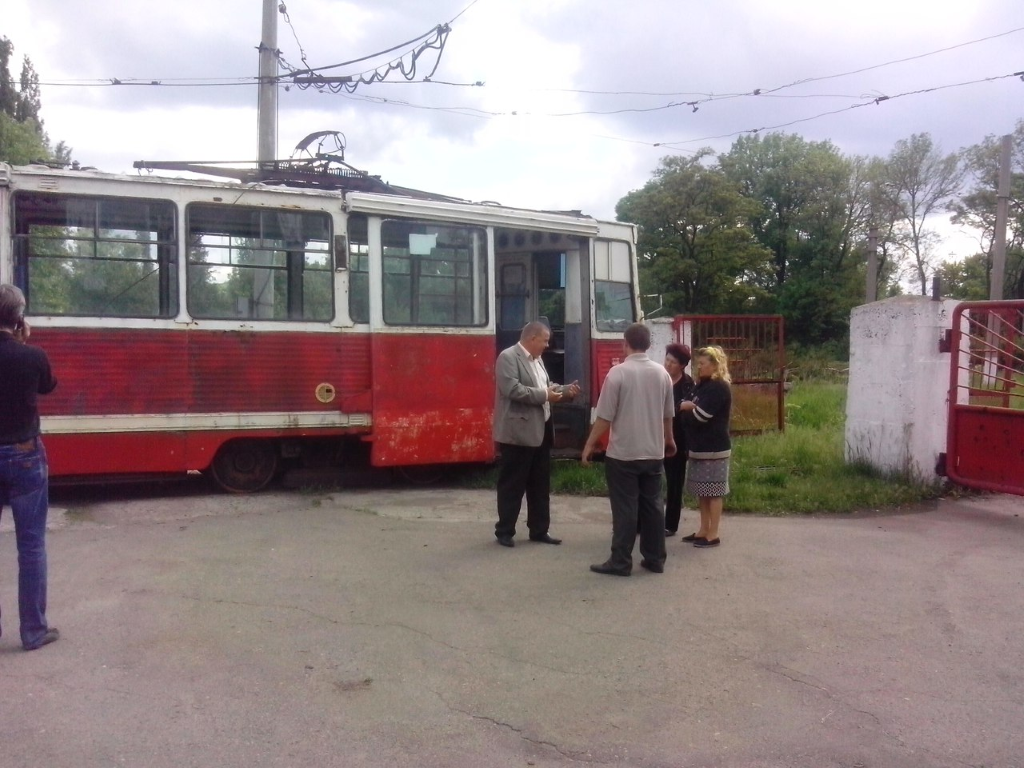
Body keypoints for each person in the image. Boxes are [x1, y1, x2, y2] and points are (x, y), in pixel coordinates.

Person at [582, 323, 675, 576]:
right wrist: (669, 440)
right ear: (649, 344)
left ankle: (621, 561)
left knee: (625, 509)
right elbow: (668, 415)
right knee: (653, 507)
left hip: (623, 454)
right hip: (653, 452)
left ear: (625, 343)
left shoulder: (617, 374)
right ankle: (655, 558)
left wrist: (589, 444)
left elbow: (604, 418)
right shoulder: (662, 374)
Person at [0, 284, 59, 651]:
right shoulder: (32, 355)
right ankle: (33, 631)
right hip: (24, 455)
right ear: (19, 317)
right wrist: (23, 344)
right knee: (31, 546)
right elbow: (48, 387)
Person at [493, 321, 579, 548]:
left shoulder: (537, 359)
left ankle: (539, 530)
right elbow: (511, 389)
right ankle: (505, 531)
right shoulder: (508, 357)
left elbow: (546, 386)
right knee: (512, 484)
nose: (547, 345)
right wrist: (545, 395)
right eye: (545, 340)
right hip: (518, 433)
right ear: (532, 338)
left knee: (540, 485)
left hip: (541, 431)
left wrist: (565, 390)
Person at [679, 346, 732, 549]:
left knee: (714, 492)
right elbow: (684, 405)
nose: (698, 367)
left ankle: (713, 533)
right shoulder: (702, 385)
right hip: (699, 447)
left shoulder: (719, 387)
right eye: (698, 363)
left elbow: (701, 417)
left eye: (703, 364)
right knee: (702, 491)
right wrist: (688, 408)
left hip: (714, 448)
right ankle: (703, 529)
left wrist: (688, 410)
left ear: (715, 365)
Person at [662, 344, 695, 537]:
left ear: (682, 365)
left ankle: (670, 524)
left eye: (673, 362)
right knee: (648, 482)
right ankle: (641, 521)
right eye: (667, 359)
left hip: (678, 439)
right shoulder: (657, 377)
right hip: (654, 436)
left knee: (675, 483)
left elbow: (689, 411)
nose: (668, 364)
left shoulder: (688, 385)